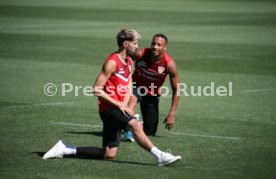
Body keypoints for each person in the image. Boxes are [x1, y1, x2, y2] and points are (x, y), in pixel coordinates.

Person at [42, 29, 181, 166]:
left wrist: (125, 105)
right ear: (126, 44)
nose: (137, 46)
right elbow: (96, 89)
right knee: (135, 125)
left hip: (118, 108)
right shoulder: (112, 62)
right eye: (135, 43)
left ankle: (65, 149)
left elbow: (128, 86)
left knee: (109, 153)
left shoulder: (129, 62)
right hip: (108, 109)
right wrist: (118, 104)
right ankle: (160, 156)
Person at [123, 33, 180, 141]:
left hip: (151, 93)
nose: (155, 47)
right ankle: (129, 132)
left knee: (150, 131)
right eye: (153, 43)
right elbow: (122, 59)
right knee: (132, 100)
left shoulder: (169, 65)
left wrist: (172, 114)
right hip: (136, 86)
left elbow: (177, 89)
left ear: (165, 47)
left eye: (159, 45)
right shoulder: (140, 53)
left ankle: (132, 122)